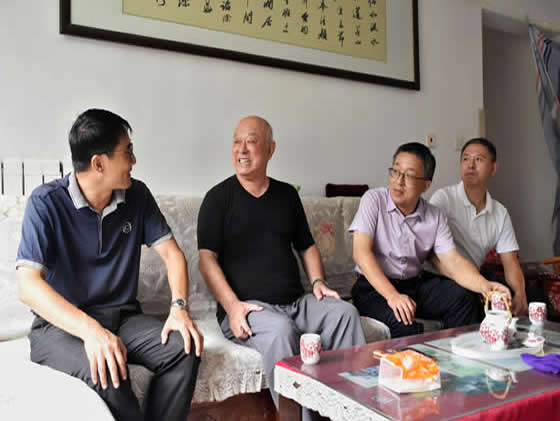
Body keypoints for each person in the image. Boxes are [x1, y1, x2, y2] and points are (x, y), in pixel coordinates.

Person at [16, 109, 202, 421]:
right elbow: (27, 286)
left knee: (184, 346)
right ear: (99, 163)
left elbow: (173, 255)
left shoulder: (137, 195)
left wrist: (179, 308)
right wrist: (91, 331)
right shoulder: (45, 203)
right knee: (107, 370)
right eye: (127, 152)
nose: (134, 160)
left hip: (123, 318)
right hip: (60, 328)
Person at [197, 116, 365, 419]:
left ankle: (351, 413)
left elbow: (306, 246)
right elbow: (206, 259)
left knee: (344, 314)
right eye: (236, 141)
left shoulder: (286, 195)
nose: (242, 149)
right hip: (250, 309)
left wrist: (318, 282)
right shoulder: (218, 198)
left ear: (270, 149)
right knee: (281, 330)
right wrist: (232, 307)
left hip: (296, 303)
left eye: (251, 141)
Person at [350, 142, 511, 338]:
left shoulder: (435, 216)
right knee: (403, 321)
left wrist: (484, 286)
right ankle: (416, 358)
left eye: (409, 175)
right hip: (373, 288)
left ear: (426, 184)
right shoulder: (373, 200)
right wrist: (392, 295)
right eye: (395, 172)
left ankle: (456, 353)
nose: (399, 181)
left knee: (463, 296)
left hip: (413, 285)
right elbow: (361, 253)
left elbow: (453, 262)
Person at [429, 137, 531, 316]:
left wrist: (520, 294)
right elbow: (430, 255)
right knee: (464, 294)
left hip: (473, 278)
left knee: (527, 290)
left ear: (493, 168)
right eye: (466, 159)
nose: (470, 165)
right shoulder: (443, 199)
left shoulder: (500, 213)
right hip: (438, 276)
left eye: (478, 159)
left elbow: (510, 262)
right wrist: (474, 283)